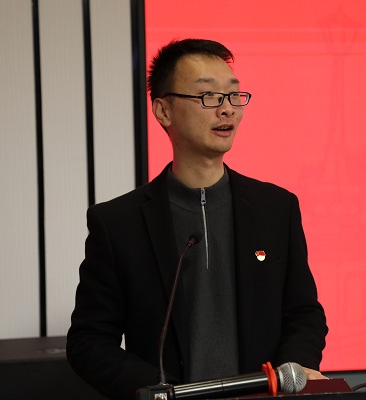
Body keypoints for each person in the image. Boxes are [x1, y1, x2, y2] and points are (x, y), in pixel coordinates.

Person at [66, 38, 329, 400]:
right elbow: (89, 341)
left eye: (233, 95)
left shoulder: (276, 208)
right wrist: (160, 392)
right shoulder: (118, 223)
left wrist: (289, 375)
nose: (227, 109)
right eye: (209, 96)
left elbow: (303, 313)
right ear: (163, 111)